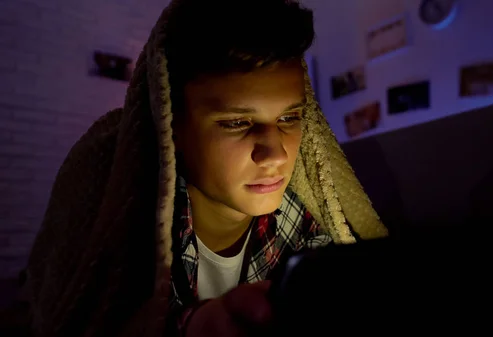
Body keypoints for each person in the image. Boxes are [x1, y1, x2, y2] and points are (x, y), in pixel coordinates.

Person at [22, 0, 388, 337]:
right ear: (171, 125)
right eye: (236, 123)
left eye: (289, 117)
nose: (274, 155)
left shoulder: (302, 224)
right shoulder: (122, 221)